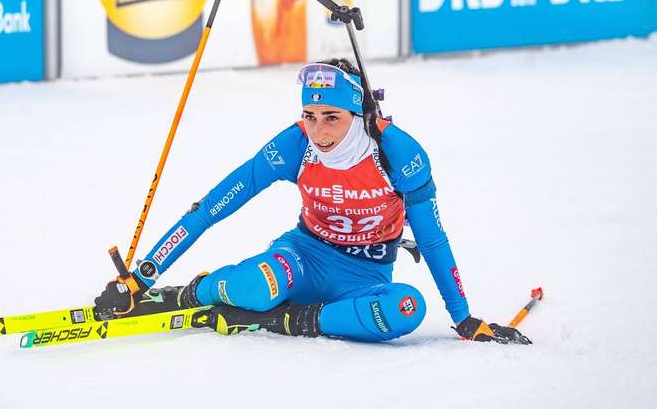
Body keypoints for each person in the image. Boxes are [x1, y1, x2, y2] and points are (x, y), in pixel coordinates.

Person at [95, 59, 529, 344]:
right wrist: (145, 273)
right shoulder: (295, 145)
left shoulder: (398, 154)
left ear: (359, 115)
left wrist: (464, 317)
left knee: (406, 309)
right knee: (255, 285)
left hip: (364, 276)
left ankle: (285, 320)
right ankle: (194, 292)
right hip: (302, 257)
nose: (319, 133)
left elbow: (432, 241)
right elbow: (212, 206)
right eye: (310, 116)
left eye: (332, 118)